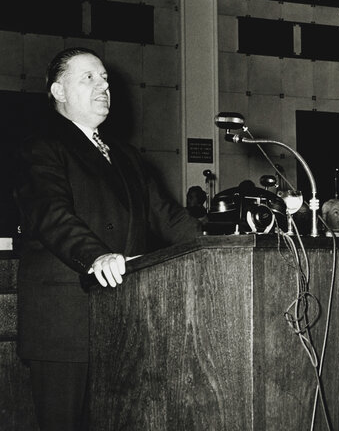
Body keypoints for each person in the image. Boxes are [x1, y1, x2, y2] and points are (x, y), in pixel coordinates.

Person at [14, 47, 201, 430]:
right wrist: (96, 256)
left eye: (105, 79)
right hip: (65, 324)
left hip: (124, 322)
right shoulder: (40, 147)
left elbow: (169, 218)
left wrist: (215, 248)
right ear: (59, 92)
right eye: (88, 78)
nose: (103, 86)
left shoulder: (127, 155)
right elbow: (53, 215)